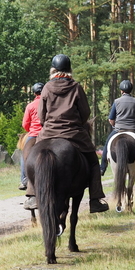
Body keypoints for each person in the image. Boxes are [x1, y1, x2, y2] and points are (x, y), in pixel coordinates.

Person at [29, 54, 109, 213]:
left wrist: (48, 125)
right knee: (93, 161)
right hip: (73, 133)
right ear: (69, 69)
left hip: (49, 132)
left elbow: (41, 115)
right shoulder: (76, 87)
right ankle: (95, 199)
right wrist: (76, 123)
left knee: (33, 155)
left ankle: (32, 194)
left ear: (53, 70)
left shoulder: (46, 88)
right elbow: (85, 113)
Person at [99, 80, 135, 177]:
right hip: (134, 129)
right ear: (131, 90)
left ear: (121, 91)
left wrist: (114, 125)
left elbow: (111, 119)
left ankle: (102, 168)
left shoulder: (116, 101)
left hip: (118, 129)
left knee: (107, 144)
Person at [19, 82, 43, 205]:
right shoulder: (49, 103)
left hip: (33, 134)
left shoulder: (30, 105)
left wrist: (31, 130)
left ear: (34, 93)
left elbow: (25, 124)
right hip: (48, 133)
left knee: (24, 154)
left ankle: (24, 179)